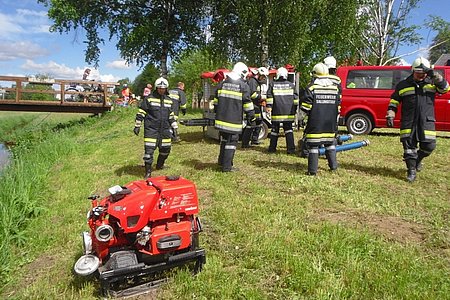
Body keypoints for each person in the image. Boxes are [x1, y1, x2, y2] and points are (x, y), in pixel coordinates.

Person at [386, 57, 449, 182]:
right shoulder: (403, 85)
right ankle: (411, 171)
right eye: (418, 73)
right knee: (409, 148)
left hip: (427, 121)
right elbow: (394, 101)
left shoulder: (432, 83)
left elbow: (446, 88)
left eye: (423, 73)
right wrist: (391, 113)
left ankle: (418, 160)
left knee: (429, 146)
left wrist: (434, 75)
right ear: (412, 71)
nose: (421, 76)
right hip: (408, 121)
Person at [212, 62, 255, 172]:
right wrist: (251, 117)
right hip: (233, 121)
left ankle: (221, 162)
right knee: (231, 142)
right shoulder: (243, 86)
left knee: (224, 140)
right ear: (242, 73)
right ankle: (227, 167)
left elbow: (215, 101)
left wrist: (218, 112)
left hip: (221, 119)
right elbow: (247, 104)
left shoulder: (221, 84)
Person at [300, 63, 341, 175]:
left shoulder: (312, 87)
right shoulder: (334, 88)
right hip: (331, 123)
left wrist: (299, 118)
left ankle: (312, 171)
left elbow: (306, 107)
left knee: (313, 146)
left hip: (316, 123)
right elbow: (338, 105)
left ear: (315, 74)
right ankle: (333, 167)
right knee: (330, 144)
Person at [133, 77, 177, 179]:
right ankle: (148, 172)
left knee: (166, 150)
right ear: (156, 88)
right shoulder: (149, 99)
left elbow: (171, 116)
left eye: (164, 88)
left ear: (166, 88)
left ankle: (159, 165)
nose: (162, 90)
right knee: (149, 152)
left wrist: (175, 128)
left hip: (165, 130)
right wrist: (137, 126)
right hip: (151, 129)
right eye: (160, 88)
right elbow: (141, 113)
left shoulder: (169, 101)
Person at [266, 66, 298, 154]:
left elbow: (269, 98)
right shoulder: (292, 85)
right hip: (288, 113)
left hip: (276, 112)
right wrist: (294, 111)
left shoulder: (272, 84)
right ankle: (291, 149)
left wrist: (269, 107)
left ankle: (272, 148)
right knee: (288, 130)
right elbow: (296, 100)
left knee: (274, 131)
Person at [241, 67, 269, 147]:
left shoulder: (257, 82)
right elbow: (252, 94)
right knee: (251, 124)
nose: (263, 78)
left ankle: (255, 140)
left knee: (259, 122)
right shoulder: (253, 81)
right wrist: (262, 97)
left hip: (257, 106)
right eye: (263, 76)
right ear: (259, 75)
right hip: (252, 107)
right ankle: (245, 143)